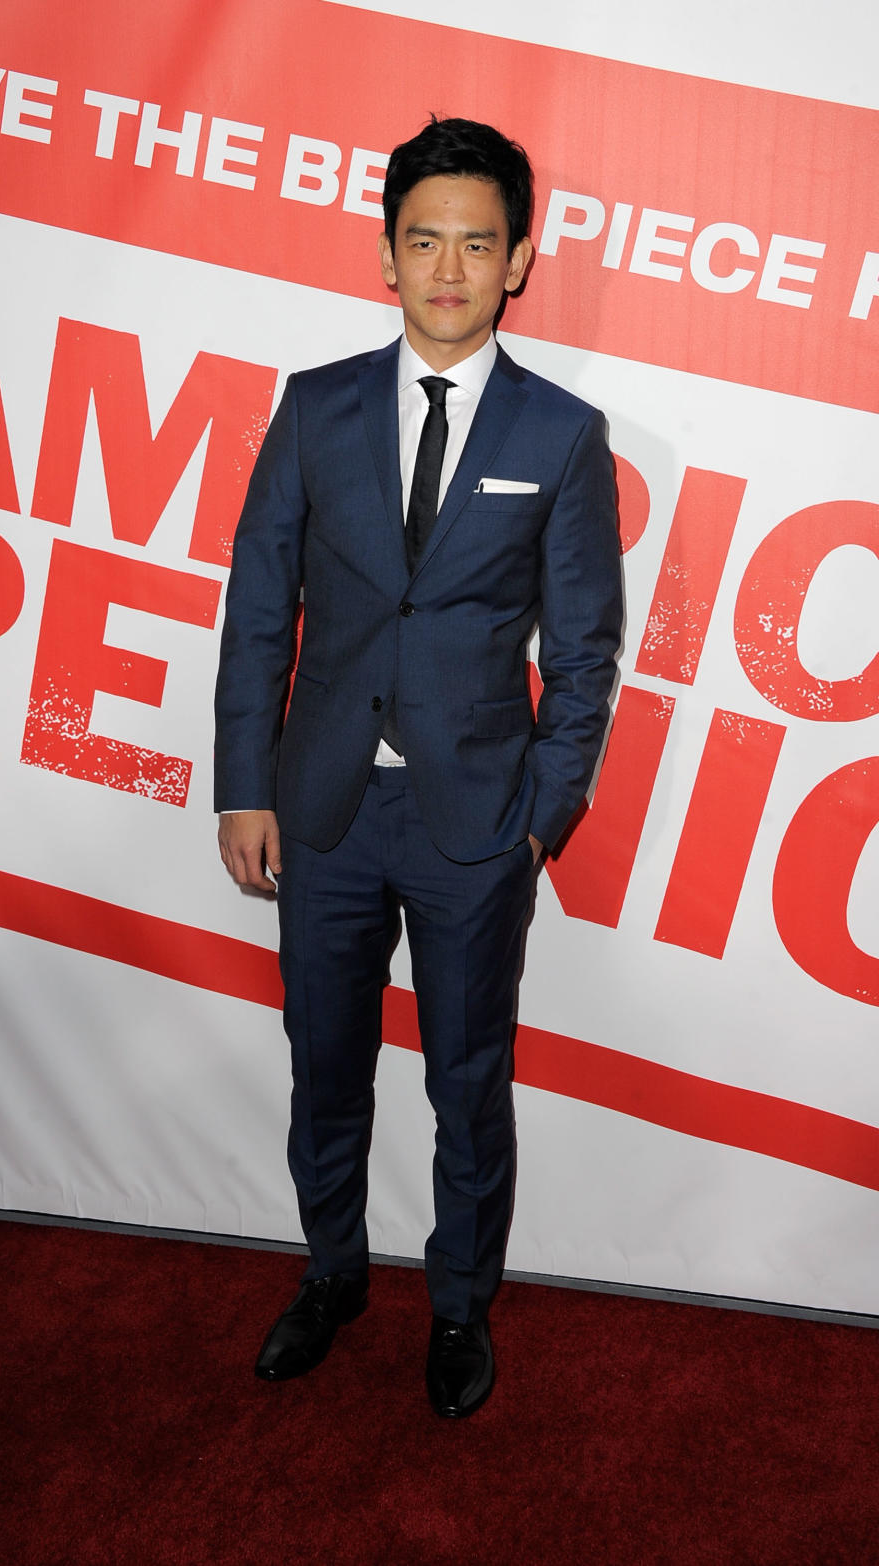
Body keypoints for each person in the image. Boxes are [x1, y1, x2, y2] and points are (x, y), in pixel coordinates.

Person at [214, 116, 623, 1418]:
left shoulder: (562, 434)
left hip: (473, 827)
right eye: (424, 239)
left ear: (519, 263)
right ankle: (333, 1275)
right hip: (323, 812)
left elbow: (589, 644)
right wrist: (243, 783)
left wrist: (540, 821)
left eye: (478, 242)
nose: (450, 266)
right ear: (386, 254)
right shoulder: (317, 406)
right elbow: (257, 603)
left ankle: (458, 1304)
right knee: (324, 1066)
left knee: (467, 1082)